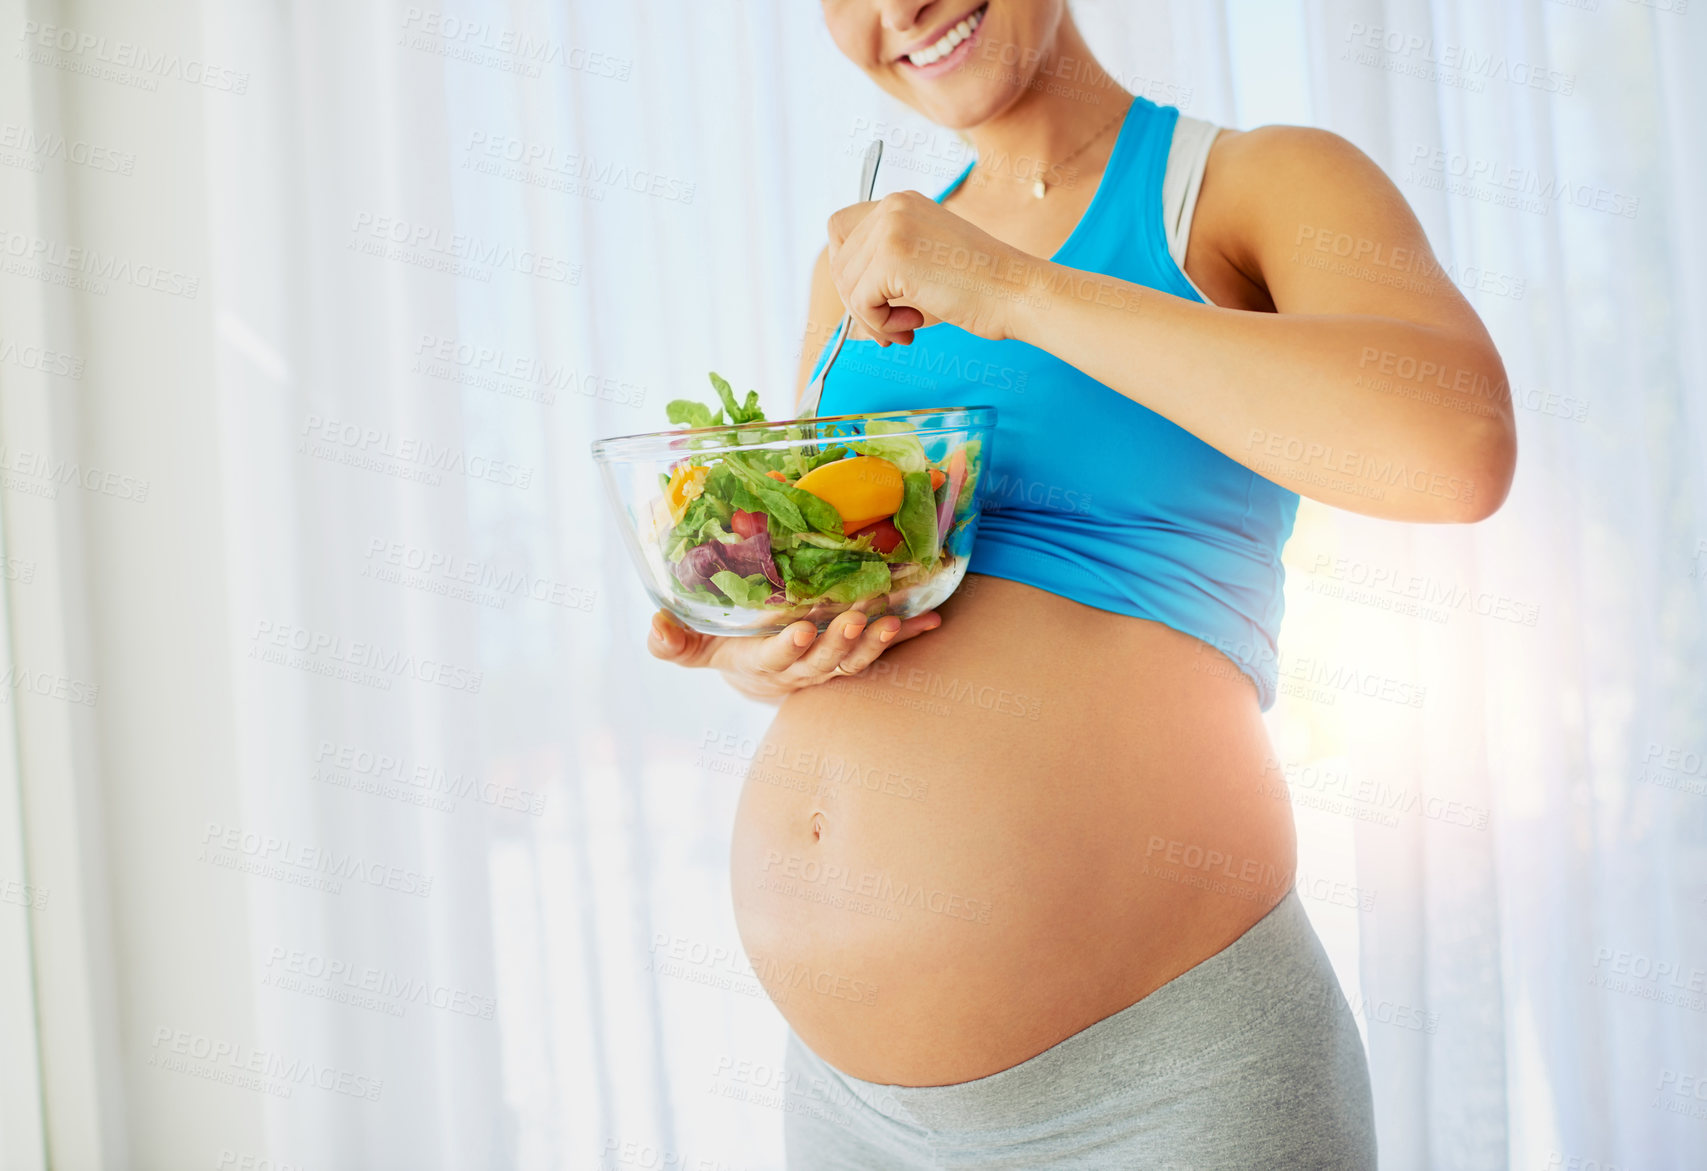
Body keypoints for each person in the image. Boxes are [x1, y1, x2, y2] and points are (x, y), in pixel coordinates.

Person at [649, 1, 1515, 1165]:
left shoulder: (1251, 186)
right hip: (853, 1112)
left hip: (1169, 1087)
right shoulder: (860, 273)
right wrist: (770, 654)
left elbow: (1453, 447)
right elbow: (853, 590)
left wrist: (1012, 288)